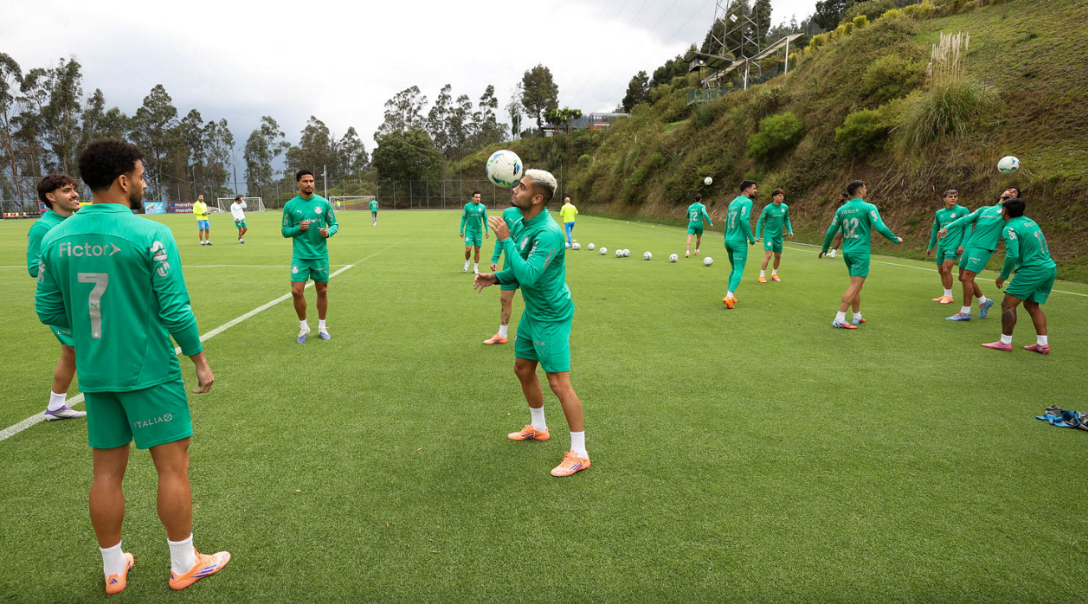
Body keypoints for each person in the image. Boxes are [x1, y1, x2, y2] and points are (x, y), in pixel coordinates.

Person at [35, 139, 228, 594]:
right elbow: (176, 309)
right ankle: (184, 563)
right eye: (141, 176)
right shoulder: (150, 233)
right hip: (149, 370)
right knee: (172, 466)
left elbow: (48, 309)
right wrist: (199, 361)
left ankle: (113, 568)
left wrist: (88, 336)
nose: (143, 183)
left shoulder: (55, 237)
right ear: (123, 180)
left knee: (105, 472)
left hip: (97, 374)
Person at [473, 169, 588, 477]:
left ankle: (580, 453)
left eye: (521, 187)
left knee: (558, 383)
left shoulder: (548, 233)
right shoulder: (524, 224)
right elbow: (519, 268)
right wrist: (496, 277)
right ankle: (539, 428)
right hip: (534, 311)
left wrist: (506, 241)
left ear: (537, 198)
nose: (515, 189)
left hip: (552, 314)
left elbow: (528, 275)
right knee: (523, 368)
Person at [27, 174, 85, 420]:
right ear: (50, 198)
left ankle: (56, 406)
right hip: (61, 306)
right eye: (66, 190)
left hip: (78, 301)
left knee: (72, 353)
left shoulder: (75, 221)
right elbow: (33, 267)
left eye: (74, 189)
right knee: (81, 350)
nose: (74, 194)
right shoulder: (43, 227)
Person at [818, 180, 902, 329]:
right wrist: (895, 239)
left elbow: (831, 230)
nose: (866, 189)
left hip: (848, 251)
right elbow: (880, 227)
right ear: (860, 191)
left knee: (856, 285)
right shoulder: (869, 207)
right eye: (865, 187)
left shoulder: (842, 209)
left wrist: (825, 247)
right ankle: (840, 317)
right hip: (860, 252)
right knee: (856, 285)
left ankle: (857, 316)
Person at [982, 198, 1056, 354]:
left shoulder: (1010, 228)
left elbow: (1012, 254)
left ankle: (1005, 342)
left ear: (1004, 211)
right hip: (1048, 267)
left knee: (1007, 305)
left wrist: (1002, 276)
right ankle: (1042, 344)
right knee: (1031, 305)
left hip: (1032, 270)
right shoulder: (1030, 222)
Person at [939, 187, 1018, 321]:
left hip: (983, 247)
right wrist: (947, 227)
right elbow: (965, 220)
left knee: (967, 278)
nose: (1010, 192)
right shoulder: (984, 209)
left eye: (1014, 192)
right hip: (970, 245)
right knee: (962, 277)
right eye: (1008, 190)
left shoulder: (1008, 213)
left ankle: (965, 312)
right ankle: (984, 301)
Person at [282, 170, 338, 343]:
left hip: (320, 255)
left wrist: (327, 232)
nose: (309, 184)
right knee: (296, 291)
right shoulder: (290, 206)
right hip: (300, 256)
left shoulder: (323, 203)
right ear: (298, 183)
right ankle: (303, 327)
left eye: (312, 181)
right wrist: (298, 229)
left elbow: (334, 224)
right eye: (305, 181)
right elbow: (285, 231)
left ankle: (322, 326)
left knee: (322, 290)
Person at [483, 206, 525, 345]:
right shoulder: (508, 212)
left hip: (528, 265)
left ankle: (531, 334)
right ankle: (502, 335)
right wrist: (495, 258)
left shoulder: (536, 213)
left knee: (530, 301)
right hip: (509, 265)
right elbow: (500, 237)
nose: (515, 191)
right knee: (504, 299)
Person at [926, 190, 969, 303]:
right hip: (941, 244)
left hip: (953, 244)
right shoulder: (939, 213)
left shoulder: (963, 211)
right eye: (950, 197)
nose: (953, 198)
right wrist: (931, 246)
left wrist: (963, 244)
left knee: (946, 269)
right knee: (940, 270)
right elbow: (935, 229)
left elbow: (968, 228)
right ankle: (945, 294)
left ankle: (949, 296)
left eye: (955, 196)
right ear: (944, 199)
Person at [722, 180, 758, 309]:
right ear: (747, 190)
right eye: (754, 188)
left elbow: (727, 221)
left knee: (733, 268)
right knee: (738, 269)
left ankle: (730, 294)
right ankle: (729, 297)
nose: (756, 190)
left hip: (729, 240)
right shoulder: (747, 202)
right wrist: (751, 238)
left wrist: (726, 237)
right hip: (739, 242)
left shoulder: (733, 202)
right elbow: (743, 219)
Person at [754, 188, 794, 283]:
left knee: (778, 256)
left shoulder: (785, 207)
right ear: (774, 197)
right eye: (780, 195)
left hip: (778, 236)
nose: (782, 197)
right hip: (769, 235)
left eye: (782, 195)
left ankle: (774, 274)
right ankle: (762, 276)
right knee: (768, 255)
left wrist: (790, 230)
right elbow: (760, 222)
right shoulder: (767, 208)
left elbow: (786, 219)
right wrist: (757, 235)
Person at [460, 191, 488, 273]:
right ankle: (467, 262)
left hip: (478, 232)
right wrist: (461, 230)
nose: (478, 199)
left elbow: (485, 219)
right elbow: (463, 218)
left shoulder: (482, 207)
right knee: (468, 249)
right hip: (469, 231)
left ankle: (475, 267)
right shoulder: (467, 206)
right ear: (472, 198)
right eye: (476, 197)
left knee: (477, 250)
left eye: (479, 197)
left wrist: (487, 230)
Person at [685, 194, 712, 258]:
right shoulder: (702, 206)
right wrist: (710, 222)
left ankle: (687, 251)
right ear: (701, 200)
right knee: (698, 238)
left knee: (689, 237)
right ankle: (696, 250)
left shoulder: (690, 207)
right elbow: (705, 214)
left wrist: (691, 216)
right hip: (699, 225)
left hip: (691, 224)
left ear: (694, 200)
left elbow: (687, 216)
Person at [827, 193, 848, 258]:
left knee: (848, 239)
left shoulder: (848, 204)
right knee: (838, 237)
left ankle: (852, 253)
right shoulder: (842, 205)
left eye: (840, 197)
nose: (839, 198)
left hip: (848, 224)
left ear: (845, 198)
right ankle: (833, 253)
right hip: (843, 224)